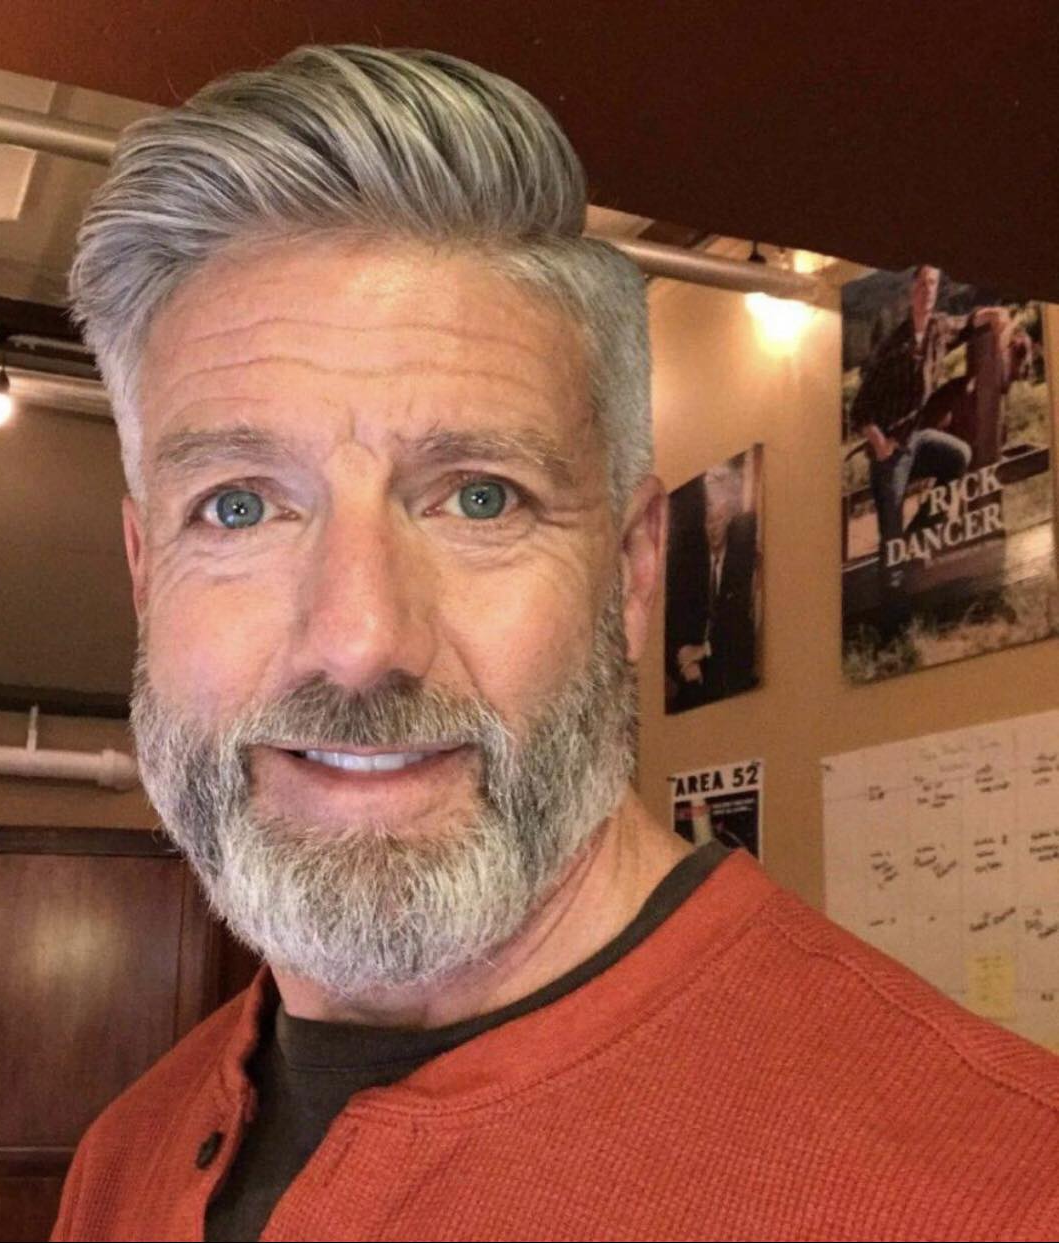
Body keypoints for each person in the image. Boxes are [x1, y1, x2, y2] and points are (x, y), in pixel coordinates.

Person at [54, 45, 1059, 1242]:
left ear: (632, 567)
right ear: (144, 573)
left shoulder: (1001, 1192)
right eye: (236, 506)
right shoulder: (122, 1157)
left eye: (479, 497)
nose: (360, 639)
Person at [849, 265, 977, 629]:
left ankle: (917, 535)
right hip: (889, 452)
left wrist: (991, 317)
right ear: (911, 291)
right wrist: (879, 442)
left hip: (916, 440)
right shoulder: (894, 346)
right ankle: (894, 626)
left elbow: (966, 324)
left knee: (959, 457)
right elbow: (859, 408)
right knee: (890, 542)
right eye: (921, 284)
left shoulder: (938, 329)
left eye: (933, 284)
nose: (927, 290)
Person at [666, 461, 759, 711]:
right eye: (708, 521)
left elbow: (738, 622)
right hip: (694, 676)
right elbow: (674, 623)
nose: (713, 528)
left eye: (719, 519)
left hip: (729, 670)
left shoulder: (741, 559)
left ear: (730, 519)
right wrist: (684, 659)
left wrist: (704, 650)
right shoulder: (691, 566)